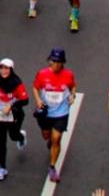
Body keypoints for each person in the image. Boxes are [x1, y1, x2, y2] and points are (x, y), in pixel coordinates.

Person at [32, 48, 77, 184]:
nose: (56, 64)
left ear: (63, 63)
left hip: (61, 113)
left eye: (59, 62)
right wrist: (38, 101)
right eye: (54, 61)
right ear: (50, 61)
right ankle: (50, 140)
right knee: (46, 135)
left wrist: (72, 96)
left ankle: (52, 167)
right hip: (46, 112)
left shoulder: (68, 75)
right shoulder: (42, 74)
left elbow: (73, 86)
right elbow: (35, 87)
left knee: (56, 138)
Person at [0, 57, 31, 182]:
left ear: (11, 69)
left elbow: (25, 100)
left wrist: (11, 105)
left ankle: (21, 137)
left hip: (14, 115)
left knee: (13, 136)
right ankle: (2, 168)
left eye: (6, 68)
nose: (4, 71)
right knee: (0, 141)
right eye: (1, 67)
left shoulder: (16, 83)